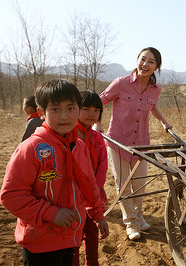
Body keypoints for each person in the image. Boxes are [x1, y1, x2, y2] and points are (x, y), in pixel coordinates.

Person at [0, 79, 109, 266]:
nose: (64, 116)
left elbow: (89, 184)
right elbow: (11, 196)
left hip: (70, 237)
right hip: (39, 243)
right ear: (41, 113)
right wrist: (51, 213)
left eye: (71, 108)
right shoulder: (30, 149)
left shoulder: (79, 146)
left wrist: (98, 214)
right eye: (56, 109)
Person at [99, 47, 172, 241]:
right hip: (117, 141)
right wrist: (97, 123)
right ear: (137, 60)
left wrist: (164, 122)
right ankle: (131, 223)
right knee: (123, 185)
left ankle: (138, 216)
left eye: (151, 62)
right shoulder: (121, 83)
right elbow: (100, 101)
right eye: (142, 59)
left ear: (156, 67)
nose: (145, 64)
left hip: (141, 143)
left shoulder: (156, 89)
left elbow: (153, 107)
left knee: (139, 184)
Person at [73, 90, 108, 266]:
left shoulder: (98, 137)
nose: (91, 114)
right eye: (86, 108)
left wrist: (98, 186)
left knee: (92, 233)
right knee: (73, 238)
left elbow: (103, 164)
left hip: (93, 193)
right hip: (73, 195)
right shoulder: (70, 135)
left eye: (96, 110)